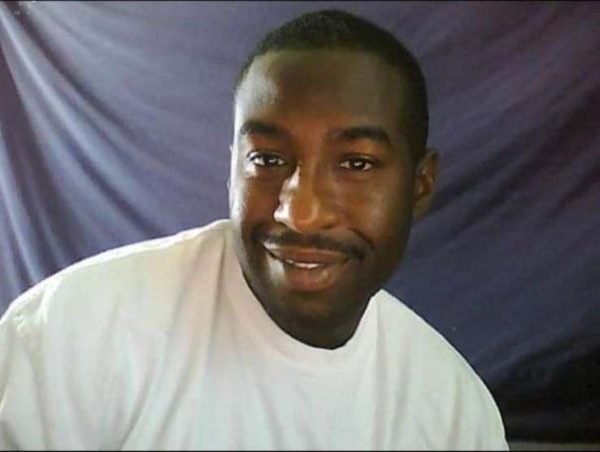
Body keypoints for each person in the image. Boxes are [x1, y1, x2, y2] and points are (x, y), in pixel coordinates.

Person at [0, 9, 508, 450]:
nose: (301, 213)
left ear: (420, 185)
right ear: (233, 169)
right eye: (266, 159)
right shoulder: (72, 335)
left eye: (356, 163)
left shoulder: (453, 414)